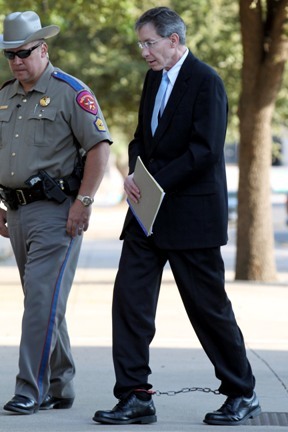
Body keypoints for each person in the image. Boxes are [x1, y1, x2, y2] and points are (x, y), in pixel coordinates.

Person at [93, 7, 261, 426]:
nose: (144, 52)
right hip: (146, 217)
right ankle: (135, 396)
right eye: (140, 44)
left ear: (174, 40)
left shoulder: (207, 83)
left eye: (149, 43)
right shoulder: (153, 79)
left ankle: (242, 392)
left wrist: (154, 184)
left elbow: (204, 151)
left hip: (191, 217)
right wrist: (134, 171)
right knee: (129, 303)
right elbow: (140, 139)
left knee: (208, 309)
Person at [0, 11, 112, 414]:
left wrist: (83, 203)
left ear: (43, 49)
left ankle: (30, 387)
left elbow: (100, 148)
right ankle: (60, 385)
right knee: (44, 303)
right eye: (10, 54)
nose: (16, 61)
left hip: (57, 213)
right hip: (16, 213)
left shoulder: (70, 92)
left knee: (40, 303)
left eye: (24, 52)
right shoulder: (4, 95)